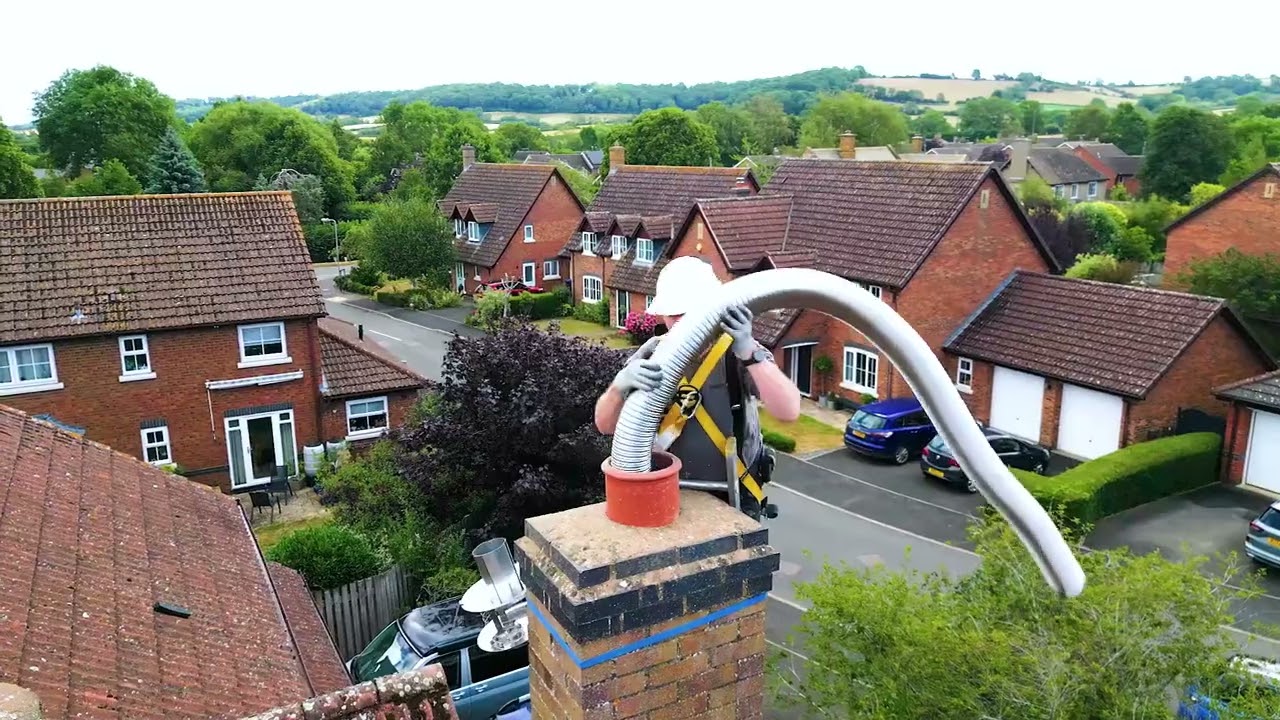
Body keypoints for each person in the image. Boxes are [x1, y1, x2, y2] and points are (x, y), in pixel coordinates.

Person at [594, 256, 801, 518]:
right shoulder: (652, 355)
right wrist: (618, 388)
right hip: (670, 495)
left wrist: (748, 351)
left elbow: (788, 410)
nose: (679, 323)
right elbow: (605, 426)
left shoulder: (736, 353)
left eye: (687, 313)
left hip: (733, 497)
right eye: (672, 315)